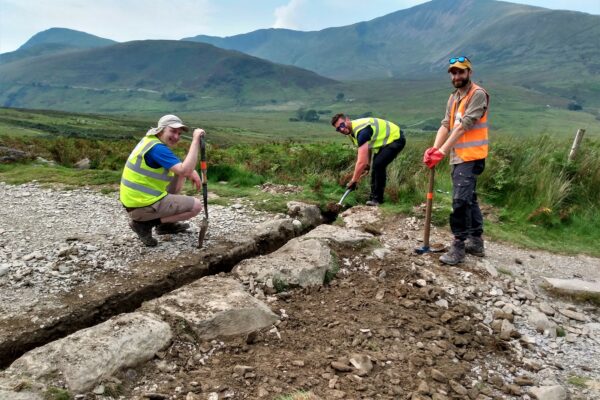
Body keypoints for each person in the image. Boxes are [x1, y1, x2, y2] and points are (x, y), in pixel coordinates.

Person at [423, 56, 490, 265]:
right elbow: (446, 124)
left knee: (460, 201)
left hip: (471, 156)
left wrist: (441, 152)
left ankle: (458, 246)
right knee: (469, 198)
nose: (456, 76)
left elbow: (463, 126)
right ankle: (476, 241)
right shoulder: (453, 98)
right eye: (453, 72)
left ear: (469, 72)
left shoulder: (477, 95)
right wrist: (434, 148)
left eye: (461, 72)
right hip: (458, 156)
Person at [120, 114, 204, 246]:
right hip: (142, 205)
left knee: (179, 175)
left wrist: (188, 171)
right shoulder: (158, 148)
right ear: (161, 130)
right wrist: (195, 141)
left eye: (179, 133)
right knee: (196, 206)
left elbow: (180, 172)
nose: (176, 137)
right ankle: (144, 224)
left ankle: (165, 226)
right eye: (172, 131)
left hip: (136, 202)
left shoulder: (150, 142)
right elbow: (184, 170)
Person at [331, 114, 406, 206]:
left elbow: (361, 162)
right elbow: (367, 147)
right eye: (338, 129)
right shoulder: (351, 133)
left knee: (378, 165)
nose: (341, 129)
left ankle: (377, 200)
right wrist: (367, 165)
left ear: (347, 120)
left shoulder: (361, 131)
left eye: (342, 125)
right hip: (385, 142)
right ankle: (373, 198)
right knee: (375, 166)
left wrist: (354, 180)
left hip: (395, 138)